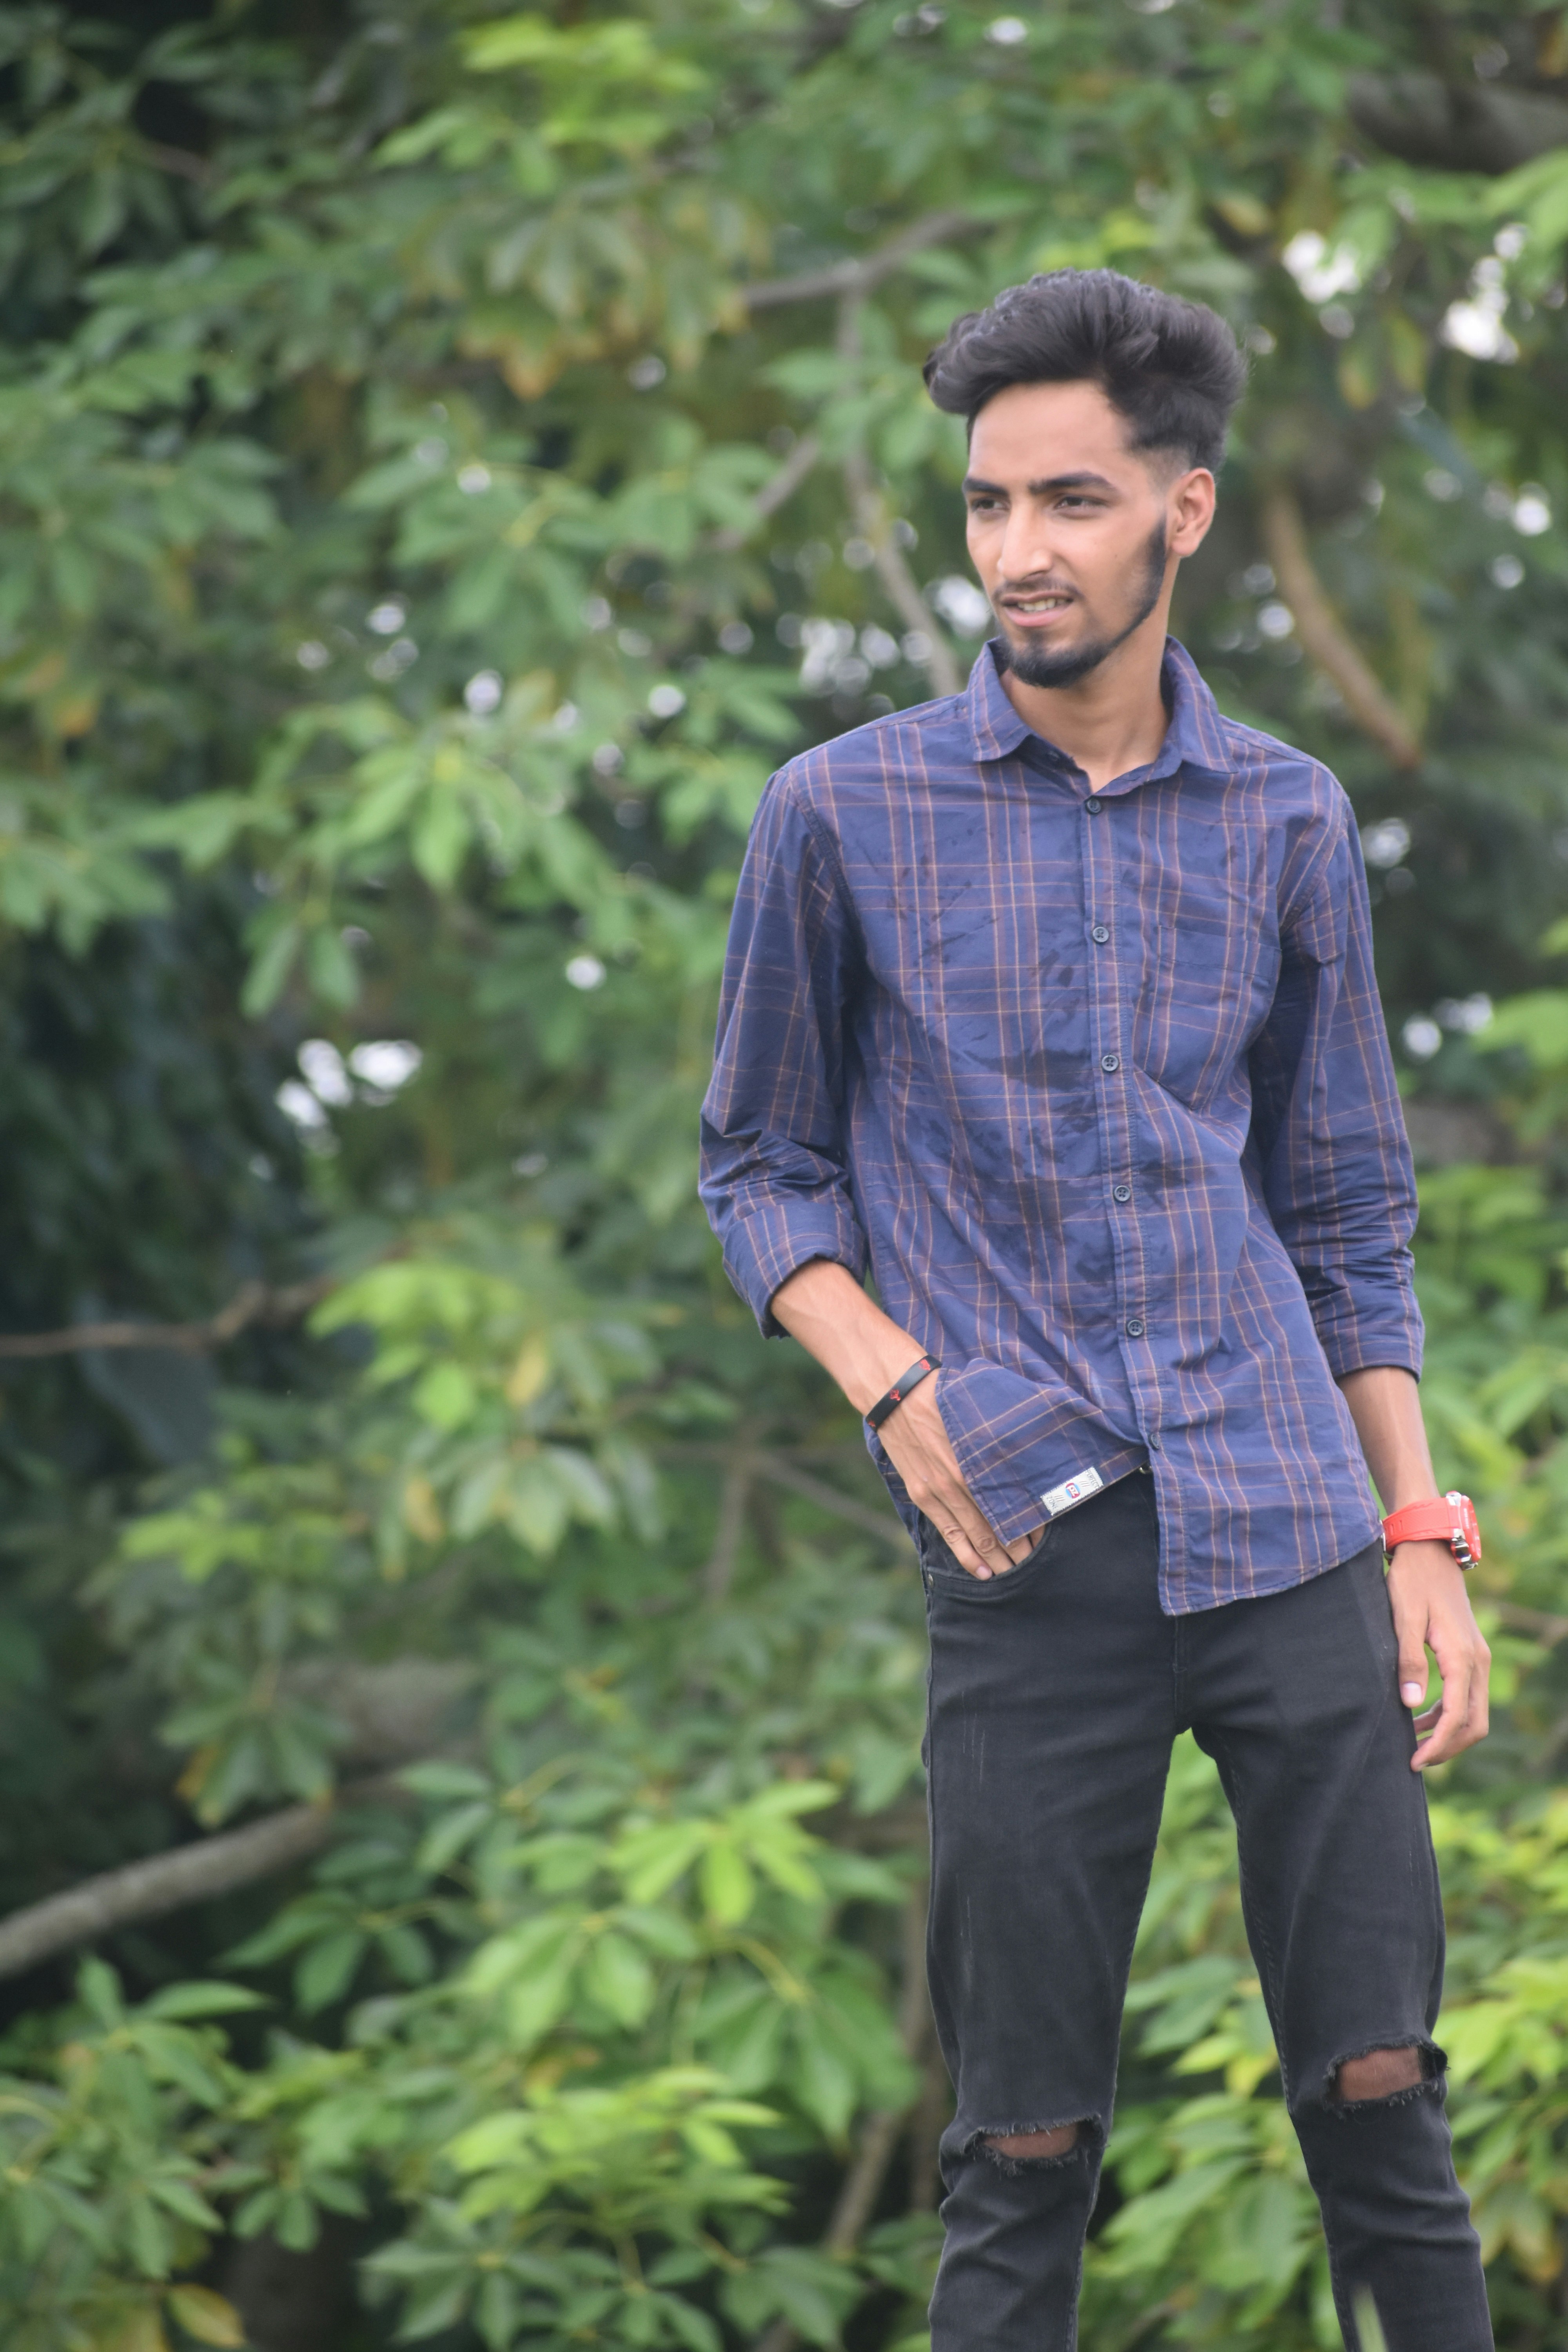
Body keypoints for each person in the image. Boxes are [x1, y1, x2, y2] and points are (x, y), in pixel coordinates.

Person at [698, 267, 1494, 2351]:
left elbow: (1343, 1200)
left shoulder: (1289, 817)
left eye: (1068, 502)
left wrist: (1424, 1530)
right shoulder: (842, 815)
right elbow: (757, 1164)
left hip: (1292, 1519)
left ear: (1186, 514)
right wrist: (896, 1390)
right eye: (985, 505)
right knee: (1022, 2148)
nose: (1018, 553)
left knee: (1384, 2095)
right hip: (1026, 1538)